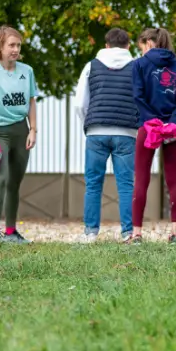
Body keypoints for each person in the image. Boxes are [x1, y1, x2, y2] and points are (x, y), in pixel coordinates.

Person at [73, 27, 138, 243]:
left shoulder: (91, 66)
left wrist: (89, 125)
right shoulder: (137, 68)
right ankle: (128, 233)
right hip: (126, 133)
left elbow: (80, 103)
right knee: (126, 185)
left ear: (106, 45)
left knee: (93, 184)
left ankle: (91, 233)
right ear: (128, 46)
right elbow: (141, 100)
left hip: (96, 133)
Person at [0, 25, 38, 244]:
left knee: (14, 183)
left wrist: (33, 130)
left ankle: (11, 232)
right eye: (11, 45)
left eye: (18, 45)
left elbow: (31, 101)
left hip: (21, 132)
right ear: (0, 47)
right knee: (0, 179)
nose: (15, 49)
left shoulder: (27, 71)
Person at [129, 28, 176, 244]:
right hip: (172, 130)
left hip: (148, 128)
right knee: (173, 179)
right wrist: (172, 123)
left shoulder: (139, 65)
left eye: (141, 46)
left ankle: (136, 233)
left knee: (142, 179)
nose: (142, 51)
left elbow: (138, 95)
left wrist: (151, 120)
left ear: (148, 43)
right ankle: (175, 232)